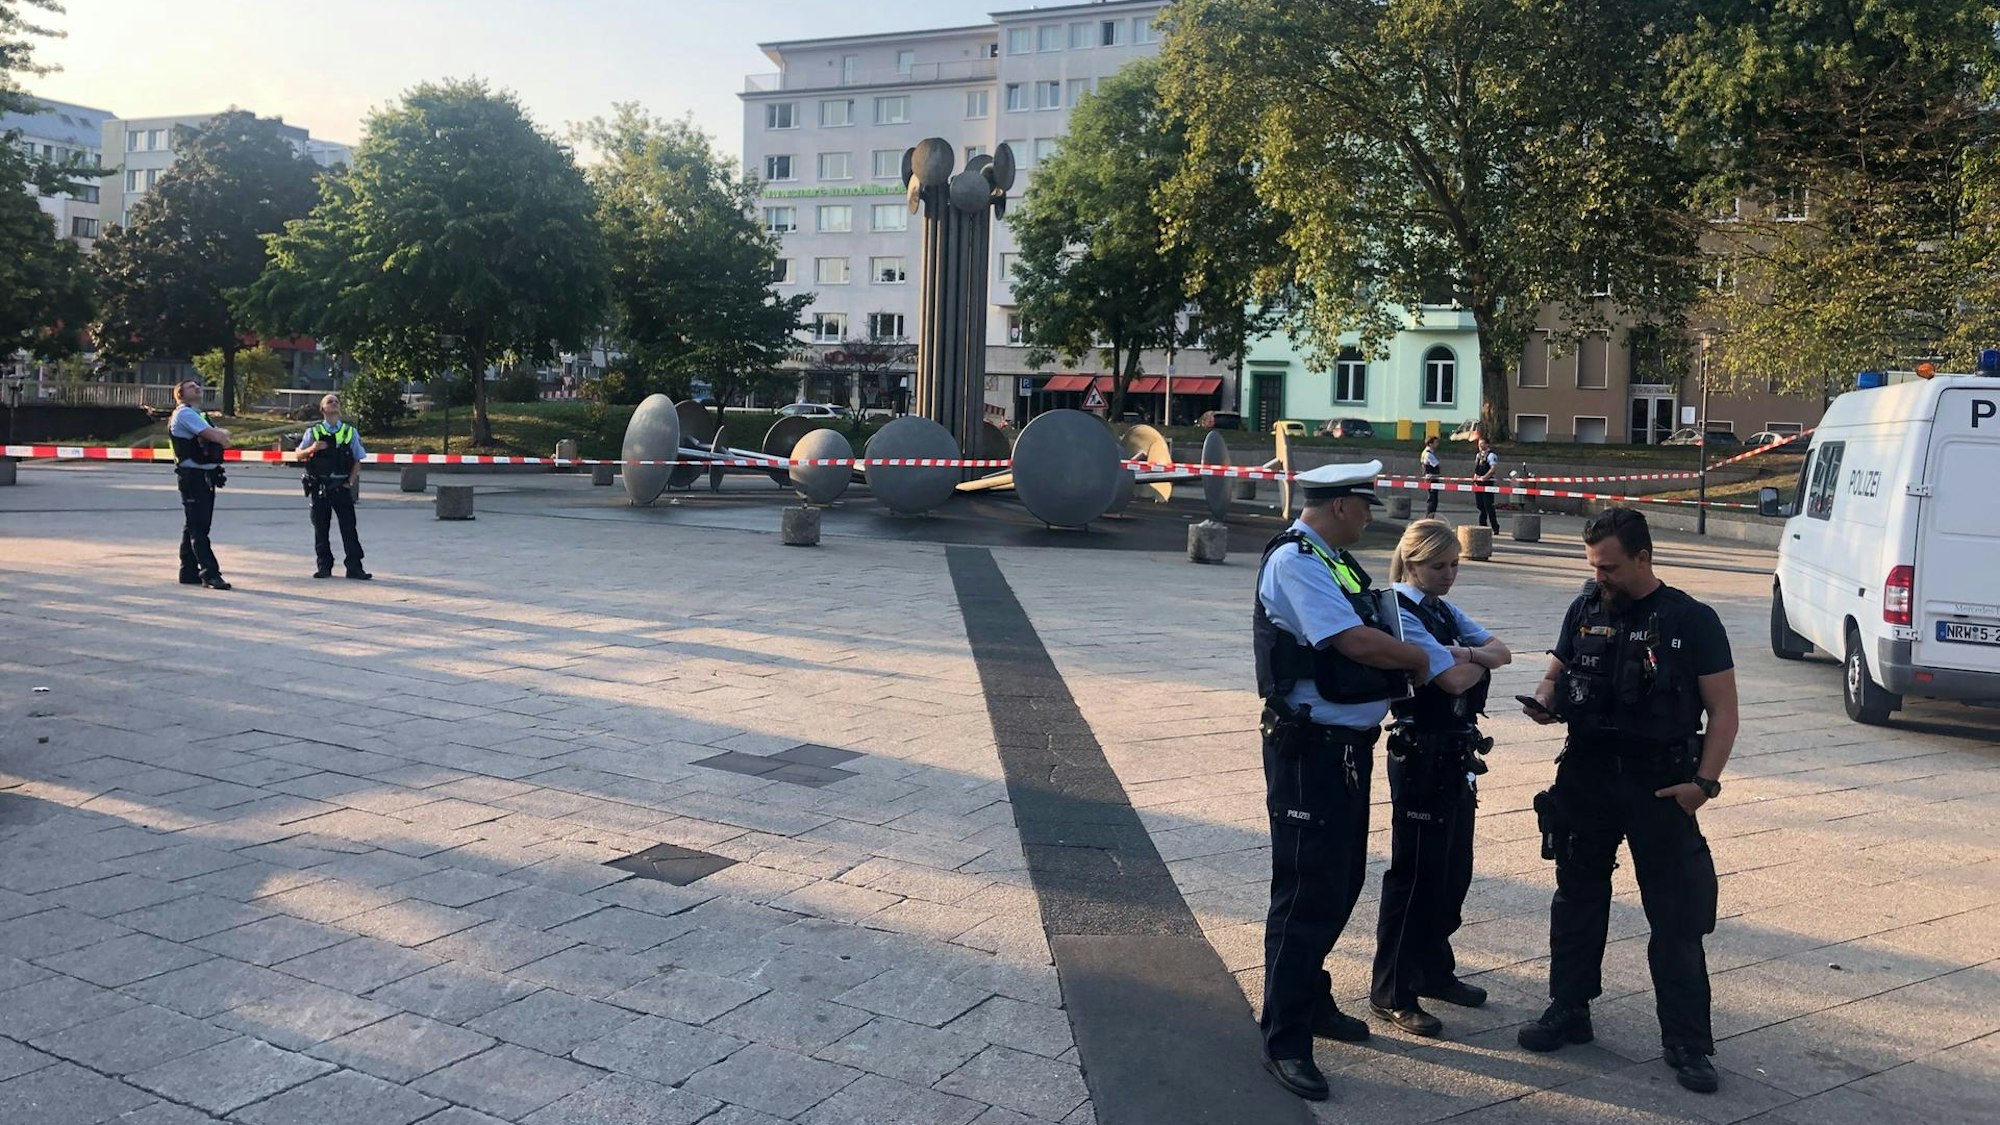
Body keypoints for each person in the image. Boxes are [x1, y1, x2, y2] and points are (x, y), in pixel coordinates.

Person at [1253, 460, 1469, 1101]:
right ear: (1342, 505)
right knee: (1305, 891)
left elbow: (1377, 627)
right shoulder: (1296, 561)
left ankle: (1310, 999)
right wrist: (1433, 658)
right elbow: (1357, 643)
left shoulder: (1332, 560)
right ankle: (1285, 1037)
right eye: (1367, 504)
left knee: (1340, 879)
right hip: (1309, 752)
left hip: (1344, 748)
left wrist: (1421, 649)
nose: (1373, 515)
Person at [1518, 507, 1738, 1094]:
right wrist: (1545, 697)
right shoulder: (1585, 606)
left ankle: (1687, 1042)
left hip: (1660, 784)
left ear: (1644, 557)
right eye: (1593, 567)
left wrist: (1704, 784)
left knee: (1676, 915)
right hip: (1586, 775)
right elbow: (1558, 668)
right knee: (1576, 897)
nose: (1599, 578)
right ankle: (1569, 1009)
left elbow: (1724, 712)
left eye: (1610, 567)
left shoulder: (1692, 620)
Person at [1369, 520, 1511, 1037]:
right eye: (1439, 566)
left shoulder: (1442, 610)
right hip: (1421, 750)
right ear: (1411, 563)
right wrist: (1469, 661)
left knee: (1454, 870)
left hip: (1455, 751)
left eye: (1455, 565)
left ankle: (1433, 969)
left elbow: (1502, 650)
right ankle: (1392, 989)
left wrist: (1467, 654)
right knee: (1415, 875)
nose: (1450, 575)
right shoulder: (1401, 613)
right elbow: (1449, 679)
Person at [294, 394, 372, 580]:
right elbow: (298, 455)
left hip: (341, 487)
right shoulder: (314, 432)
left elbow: (358, 459)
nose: (334, 403)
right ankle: (324, 567)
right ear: (322, 409)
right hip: (320, 486)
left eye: (336, 401)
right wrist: (312, 449)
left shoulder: (349, 432)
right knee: (321, 529)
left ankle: (354, 567)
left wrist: (350, 482)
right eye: (329, 401)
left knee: (349, 528)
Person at [168, 379, 233, 590]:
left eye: (197, 386)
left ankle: (187, 571)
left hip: (205, 476)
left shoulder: (199, 415)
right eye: (190, 387)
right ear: (180, 394)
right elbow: (216, 436)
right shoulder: (184, 414)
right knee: (199, 527)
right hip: (193, 477)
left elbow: (224, 439)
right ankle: (210, 573)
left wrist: (221, 436)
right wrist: (220, 435)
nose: (197, 388)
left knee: (194, 524)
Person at [1471, 438, 1501, 534]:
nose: (1480, 445)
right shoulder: (1478, 455)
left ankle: (1495, 527)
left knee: (1488, 506)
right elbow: (1477, 469)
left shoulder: (1491, 455)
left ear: (1487, 444)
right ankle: (1482, 527)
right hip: (1478, 484)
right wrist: (1475, 479)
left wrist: (1485, 477)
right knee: (1480, 506)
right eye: (1479, 444)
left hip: (1487, 484)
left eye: (1482, 443)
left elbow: (1493, 469)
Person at [1420, 435, 1443, 516]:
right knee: (1433, 500)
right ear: (1430, 444)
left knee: (1432, 499)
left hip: (1430, 478)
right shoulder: (1428, 454)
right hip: (1432, 478)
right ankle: (1429, 517)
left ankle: (1430, 516)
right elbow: (1436, 464)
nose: (1437, 444)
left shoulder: (1426, 453)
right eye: (1435, 442)